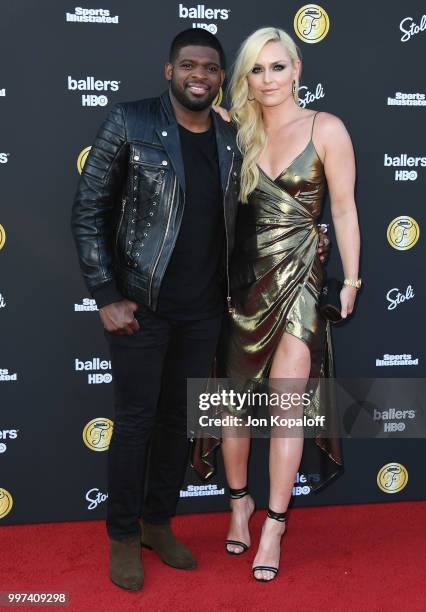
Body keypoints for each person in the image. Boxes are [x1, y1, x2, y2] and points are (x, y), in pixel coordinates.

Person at [71, 27, 329, 591]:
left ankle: (157, 525)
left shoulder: (230, 136)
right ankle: (121, 535)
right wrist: (106, 295)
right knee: (136, 421)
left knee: (176, 425)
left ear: (220, 79)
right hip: (140, 305)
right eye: (188, 65)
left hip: (205, 310)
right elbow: (89, 210)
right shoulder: (130, 121)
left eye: (210, 68)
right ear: (170, 71)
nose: (199, 75)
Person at [219, 27, 361, 582]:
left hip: (301, 281)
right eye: (257, 70)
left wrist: (352, 279)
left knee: (286, 408)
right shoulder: (235, 134)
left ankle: (275, 523)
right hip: (242, 285)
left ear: (297, 68)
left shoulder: (326, 128)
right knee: (228, 406)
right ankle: (238, 505)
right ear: (246, 79)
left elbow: (344, 210)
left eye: (278, 67)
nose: (269, 79)